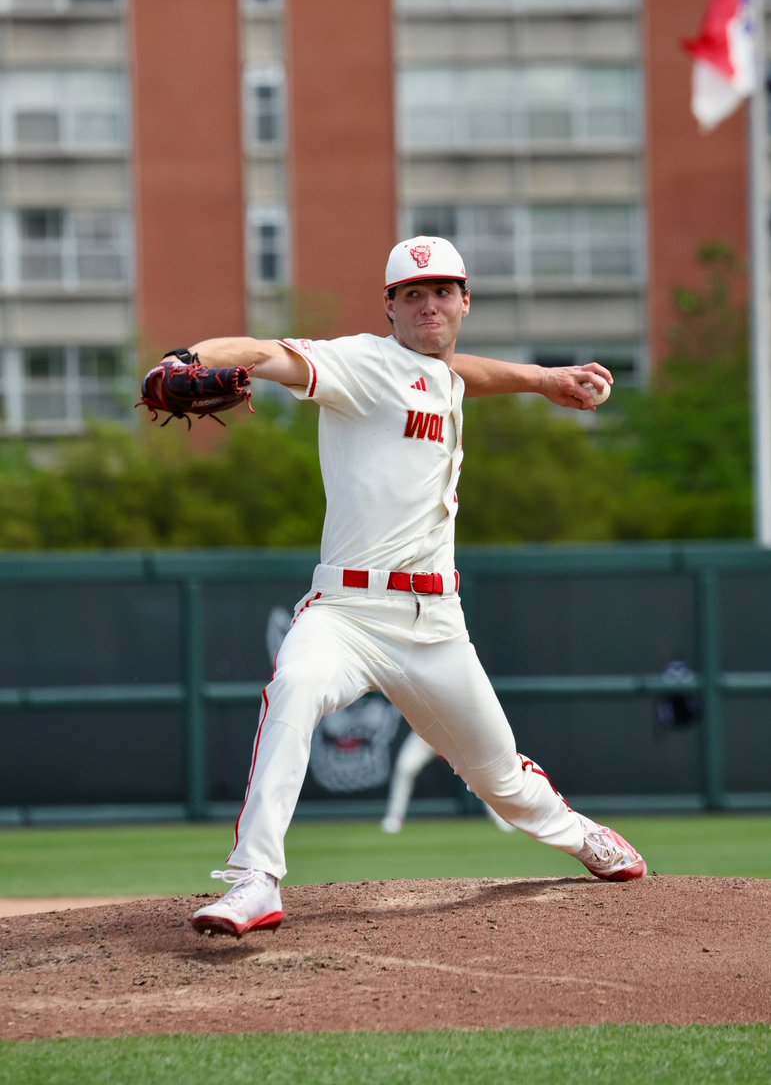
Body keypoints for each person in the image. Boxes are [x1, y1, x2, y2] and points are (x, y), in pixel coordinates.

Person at [176, 235, 646, 938]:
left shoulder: (444, 374)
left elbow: (461, 374)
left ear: (463, 302)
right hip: (347, 612)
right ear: (390, 306)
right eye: (412, 293)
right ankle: (254, 881)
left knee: (502, 783)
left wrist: (544, 379)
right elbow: (262, 351)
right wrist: (190, 360)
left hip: (434, 625)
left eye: (441, 292)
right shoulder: (360, 362)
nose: (429, 304)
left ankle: (578, 835)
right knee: (294, 690)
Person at [381, 728, 513, 834]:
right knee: (406, 767)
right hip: (426, 734)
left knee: (478, 772)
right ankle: (395, 817)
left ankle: (499, 816)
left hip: (457, 736)